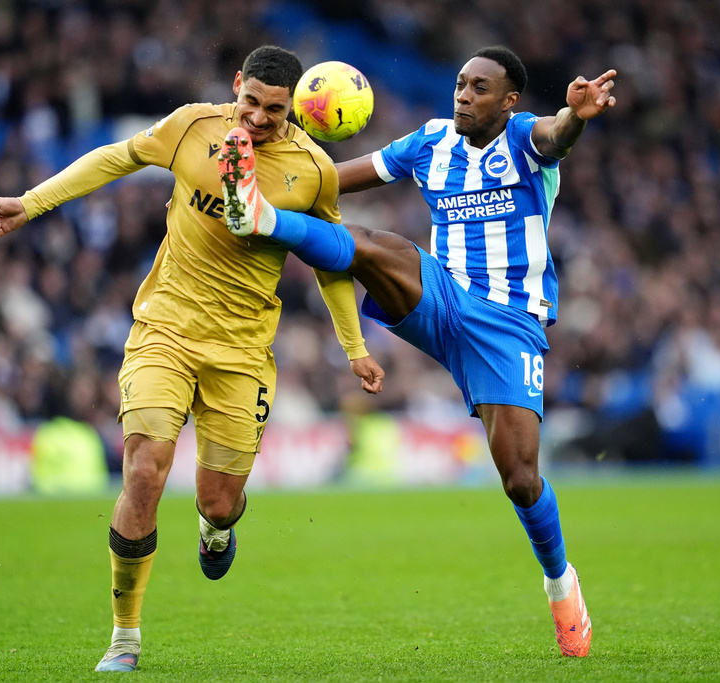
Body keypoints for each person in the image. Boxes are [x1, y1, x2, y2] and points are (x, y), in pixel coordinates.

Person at [0, 45, 385, 673]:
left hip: (242, 350)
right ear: (236, 87)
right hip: (163, 329)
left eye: (273, 111)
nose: (256, 118)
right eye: (249, 102)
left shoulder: (314, 171)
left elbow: (331, 258)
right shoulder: (193, 124)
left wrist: (354, 348)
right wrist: (31, 203)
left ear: (294, 109)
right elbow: (116, 158)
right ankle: (124, 637)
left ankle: (217, 529)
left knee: (219, 500)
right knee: (145, 467)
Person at [216, 45, 615, 657]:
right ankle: (260, 218)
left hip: (509, 324)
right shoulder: (429, 143)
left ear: (509, 101)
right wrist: (270, 158)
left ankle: (561, 583)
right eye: (460, 84)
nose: (463, 95)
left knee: (520, 479)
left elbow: (557, 135)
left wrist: (578, 116)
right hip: (441, 299)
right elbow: (331, 180)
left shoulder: (526, 140)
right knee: (373, 244)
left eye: (480, 88)